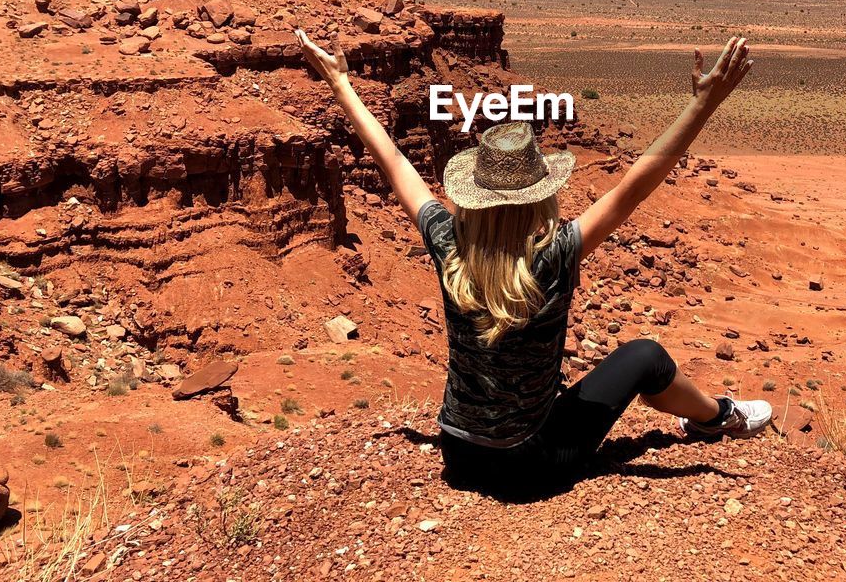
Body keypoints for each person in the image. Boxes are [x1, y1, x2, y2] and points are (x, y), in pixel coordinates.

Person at [295, 29, 771, 495]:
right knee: (646, 356)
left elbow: (394, 162)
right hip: (533, 461)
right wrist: (704, 103)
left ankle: (711, 416)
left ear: (474, 196)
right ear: (540, 198)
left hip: (458, 452)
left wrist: (340, 83)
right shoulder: (555, 252)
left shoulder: (448, 244)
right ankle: (717, 417)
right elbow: (637, 182)